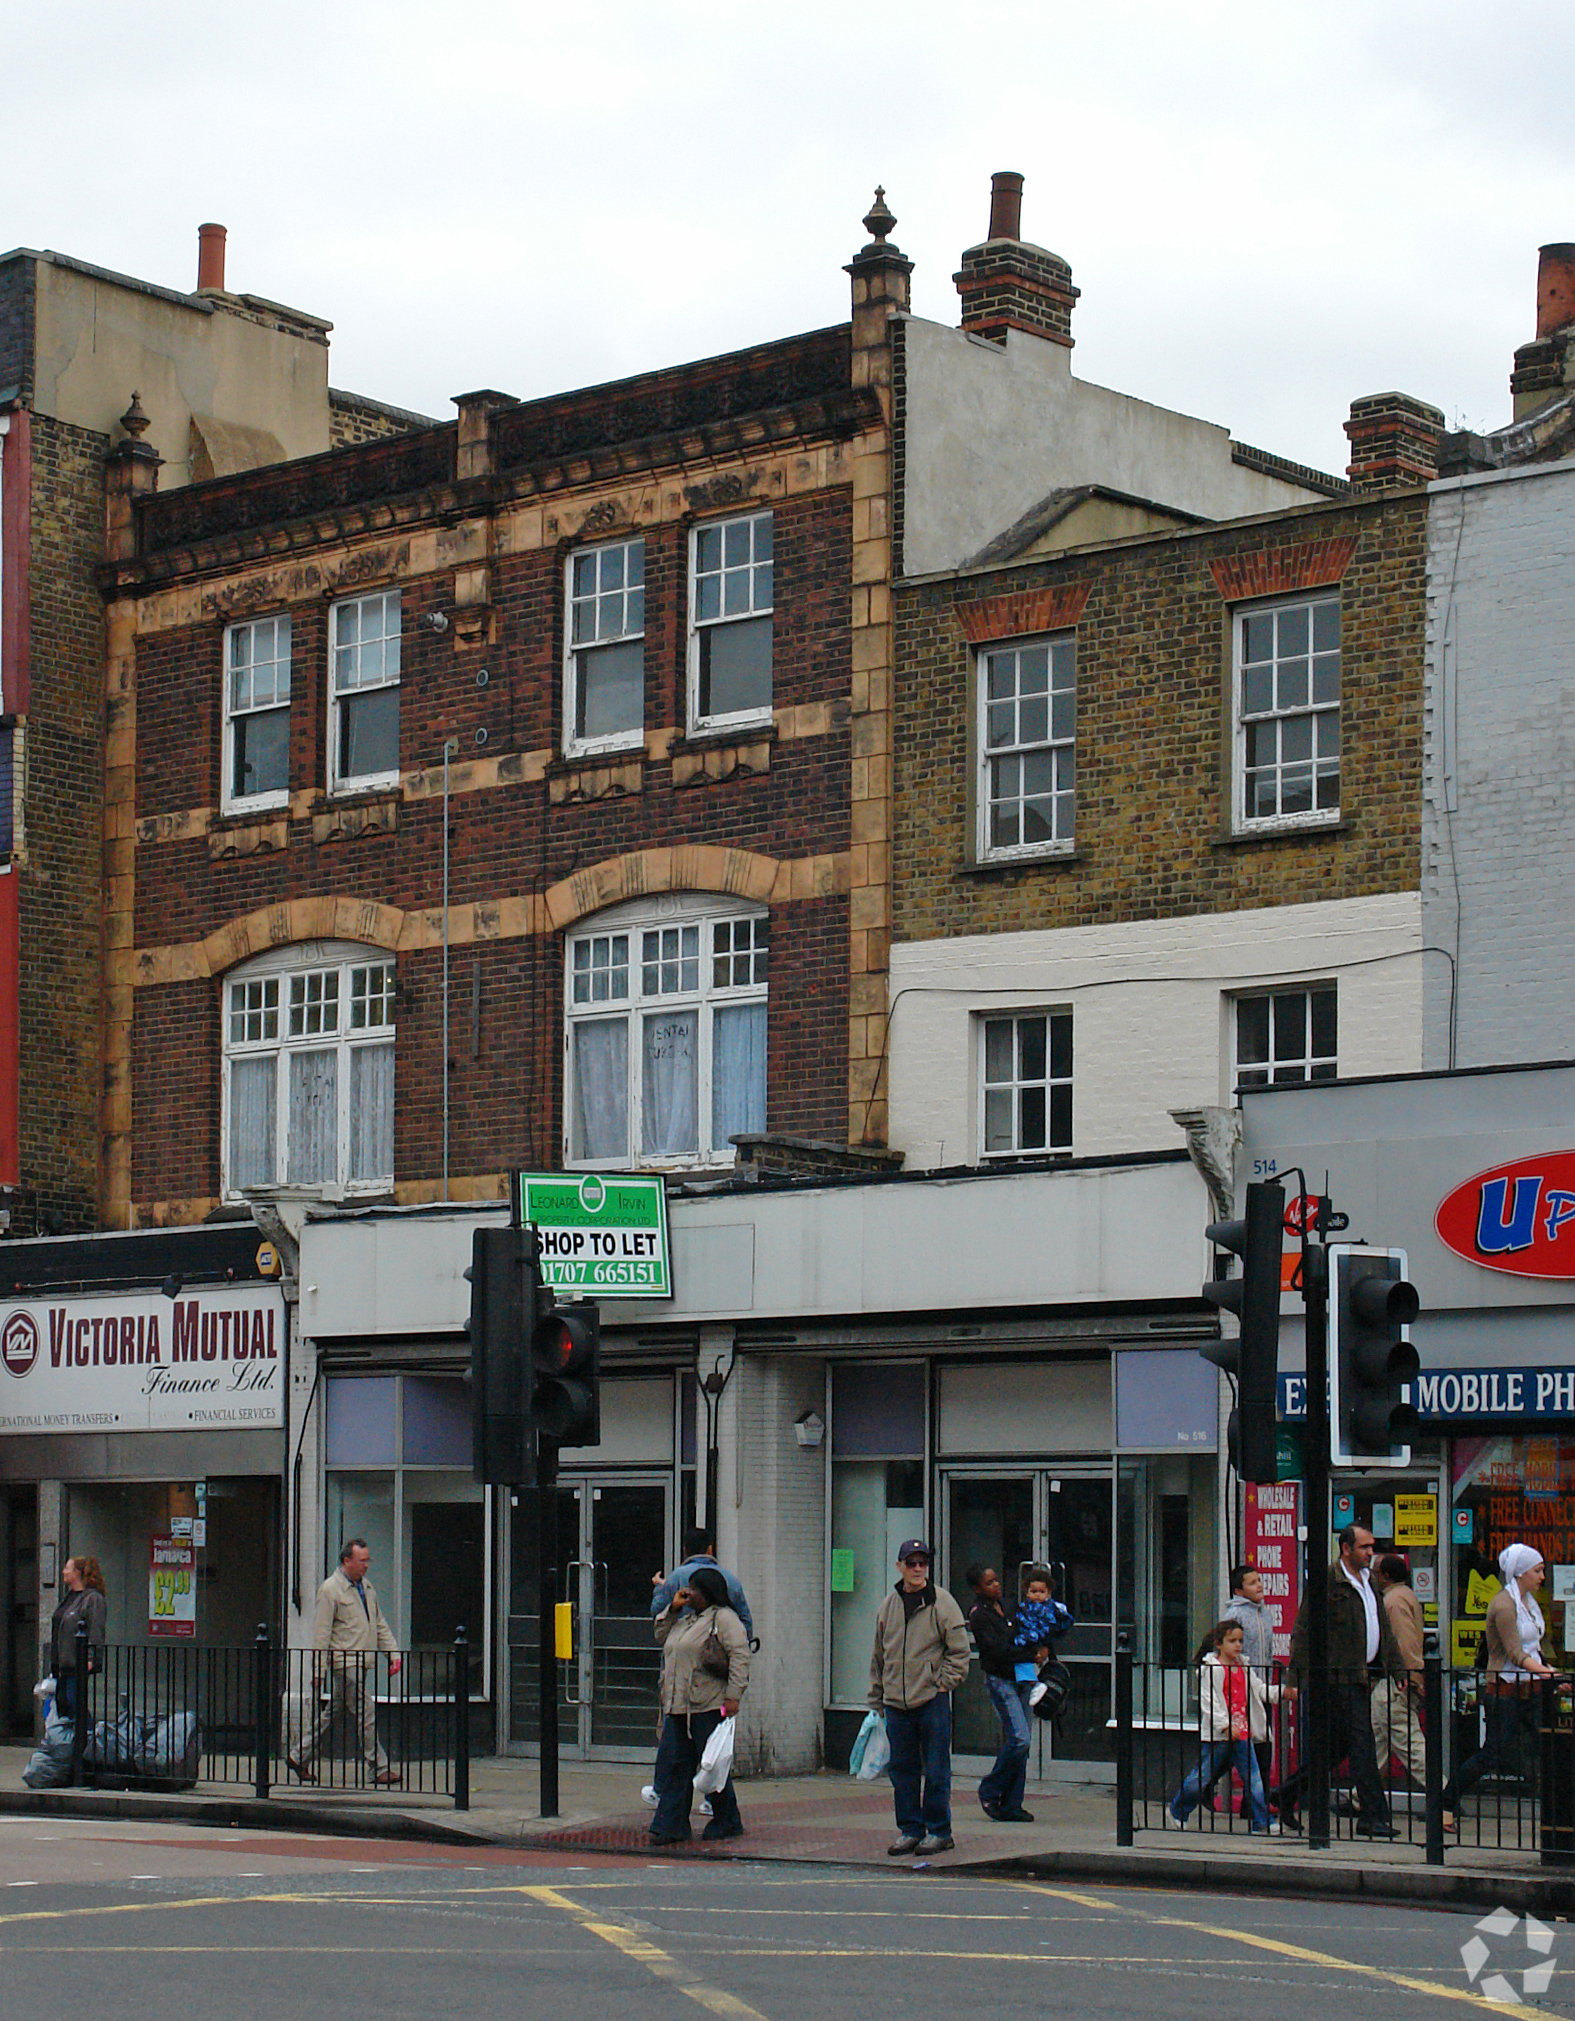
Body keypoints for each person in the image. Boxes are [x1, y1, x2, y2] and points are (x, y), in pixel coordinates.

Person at [1284, 1523, 1406, 1836]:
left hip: (1362, 1676)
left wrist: (1397, 1667)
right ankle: (1373, 1816)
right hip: (1336, 1677)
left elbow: (1384, 1629)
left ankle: (1285, 1795)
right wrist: (1295, 1676)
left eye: (1372, 1547)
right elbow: (1304, 1628)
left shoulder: (1370, 1580)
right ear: (1346, 1548)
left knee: (1335, 1750)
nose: (1371, 1553)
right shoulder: (1328, 1579)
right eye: (1365, 1547)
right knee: (1362, 1745)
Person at [1442, 1543, 1556, 1833]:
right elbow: (1516, 1652)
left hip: (1531, 1691)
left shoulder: (1529, 1602)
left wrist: (1548, 1671)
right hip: (1505, 1691)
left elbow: (1536, 1646)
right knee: (1490, 1756)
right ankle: (1444, 1804)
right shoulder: (1504, 1605)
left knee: (1552, 1749)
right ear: (1520, 1573)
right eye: (1537, 1570)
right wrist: (1546, 1672)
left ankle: (1560, 1816)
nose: (1542, 1576)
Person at [869, 1539, 971, 1856]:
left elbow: (960, 1651)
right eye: (910, 1563)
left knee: (937, 1770)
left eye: (922, 1563)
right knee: (902, 1771)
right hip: (896, 1705)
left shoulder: (942, 1603)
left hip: (931, 1701)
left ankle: (940, 1831)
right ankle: (911, 1829)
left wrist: (943, 1683)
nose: (917, 1569)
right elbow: (878, 1656)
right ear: (899, 1566)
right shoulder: (889, 1605)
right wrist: (877, 1698)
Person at [291, 1538, 403, 1787]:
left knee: (333, 1712)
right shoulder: (330, 1590)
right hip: (345, 1662)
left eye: (367, 1560)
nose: (366, 1565)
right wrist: (318, 1670)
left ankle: (298, 1755)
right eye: (361, 1560)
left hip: (361, 1661)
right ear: (347, 1561)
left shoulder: (367, 1587)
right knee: (366, 1711)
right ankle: (379, 1767)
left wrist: (392, 1654)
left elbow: (379, 1623)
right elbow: (322, 1633)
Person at [649, 1564, 749, 1844]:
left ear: (707, 1592)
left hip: (708, 1703)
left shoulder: (725, 1619)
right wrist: (672, 1608)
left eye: (693, 1589)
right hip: (678, 1705)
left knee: (711, 1766)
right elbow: (660, 1636)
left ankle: (727, 1819)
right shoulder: (686, 1619)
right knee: (675, 1766)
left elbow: (740, 1657)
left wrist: (733, 1697)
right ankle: (670, 1825)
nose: (688, 1593)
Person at [1168, 1620, 1278, 1833]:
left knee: (1254, 1779)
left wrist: (1280, 1692)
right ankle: (1178, 1809)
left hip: (1242, 1732)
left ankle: (1261, 1821)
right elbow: (1209, 1701)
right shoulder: (1213, 1669)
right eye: (1232, 1641)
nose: (1238, 1646)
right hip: (1220, 1735)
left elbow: (1259, 1689)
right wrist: (1225, 1725)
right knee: (1201, 1777)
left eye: (1240, 1641)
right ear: (1219, 1644)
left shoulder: (1243, 1667)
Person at [964, 1564, 1035, 1823]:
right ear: (977, 1589)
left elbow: (1027, 1633)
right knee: (1020, 1739)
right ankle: (990, 1788)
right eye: (988, 1583)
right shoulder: (979, 1615)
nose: (996, 1586)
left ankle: (1012, 1804)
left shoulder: (1009, 1605)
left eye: (996, 1580)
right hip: (1001, 1680)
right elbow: (997, 1650)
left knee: (1021, 1746)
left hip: (1023, 1677)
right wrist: (1029, 1653)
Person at [1369, 1554, 1426, 1791]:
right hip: (1395, 1680)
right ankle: (1361, 1797)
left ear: (1385, 1576)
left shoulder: (1393, 1601)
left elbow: (1403, 1642)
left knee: (1409, 1744)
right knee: (1379, 1742)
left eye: (1375, 1573)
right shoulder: (1405, 1596)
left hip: (1394, 1682)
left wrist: (1407, 1675)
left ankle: (1443, 1794)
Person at [1224, 1563, 1277, 1805]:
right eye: (1252, 1582)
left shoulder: (1264, 1613)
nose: (1259, 1586)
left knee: (1263, 1745)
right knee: (1241, 1747)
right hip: (1242, 1690)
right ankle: (1206, 1784)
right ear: (1239, 1590)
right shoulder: (1235, 1615)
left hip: (1261, 1688)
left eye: (1259, 1580)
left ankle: (1255, 1802)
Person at [651, 1527, 755, 1639]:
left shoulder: (676, 1577)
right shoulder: (731, 1579)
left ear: (685, 1550)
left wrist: (660, 1587)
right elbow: (744, 1620)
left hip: (683, 1647)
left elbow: (658, 1612)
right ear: (709, 1549)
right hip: (721, 1648)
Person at [49, 1555, 107, 1723]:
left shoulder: (92, 1598)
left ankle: (87, 1740)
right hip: (62, 1662)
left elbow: (96, 1628)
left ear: (78, 1573)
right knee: (64, 1703)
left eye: (68, 1568)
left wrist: (91, 1657)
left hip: (76, 1662)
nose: (63, 1572)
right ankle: (73, 1743)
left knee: (75, 1704)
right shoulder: (70, 1597)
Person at [1015, 1566, 1074, 1708]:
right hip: (1028, 1641)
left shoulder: (1051, 1608)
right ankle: (1034, 1684)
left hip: (1038, 1640)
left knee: (1035, 1665)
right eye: (1033, 1591)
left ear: (1048, 1593)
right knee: (1022, 1664)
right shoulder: (1023, 1608)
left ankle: (1038, 1686)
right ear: (1027, 1592)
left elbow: (1060, 1622)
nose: (1037, 1595)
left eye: (1042, 1592)